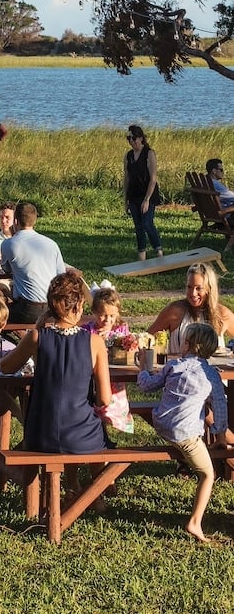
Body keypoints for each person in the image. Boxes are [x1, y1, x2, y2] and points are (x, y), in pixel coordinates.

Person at [0, 272, 112, 498]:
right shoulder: (95, 342)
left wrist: (37, 327)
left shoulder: (36, 338)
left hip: (41, 433)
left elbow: (5, 367)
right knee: (96, 428)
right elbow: (105, 400)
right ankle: (95, 494)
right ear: (79, 304)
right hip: (81, 434)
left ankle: (71, 488)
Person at [137, 322, 233, 543]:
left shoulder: (173, 366)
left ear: (187, 344)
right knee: (208, 474)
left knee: (198, 408)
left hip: (161, 423)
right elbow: (220, 406)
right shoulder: (212, 375)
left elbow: (147, 385)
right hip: (184, 434)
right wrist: (219, 434)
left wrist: (143, 367)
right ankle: (195, 522)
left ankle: (214, 440)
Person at [0, 201, 67, 325]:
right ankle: (29, 341)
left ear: (15, 221)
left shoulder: (9, 244)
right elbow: (61, 275)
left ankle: (19, 343)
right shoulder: (51, 244)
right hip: (52, 307)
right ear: (34, 221)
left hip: (27, 309)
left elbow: (7, 269)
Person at [148, 262, 234, 354]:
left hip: (214, 368)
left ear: (209, 289)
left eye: (198, 288)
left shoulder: (222, 313)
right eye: (189, 287)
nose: (193, 293)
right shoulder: (174, 311)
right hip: (180, 367)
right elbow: (146, 338)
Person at [81, 286, 133, 434]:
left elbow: (128, 348)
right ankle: (98, 432)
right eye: (103, 315)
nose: (107, 320)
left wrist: (115, 338)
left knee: (111, 402)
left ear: (117, 313)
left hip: (115, 376)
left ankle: (108, 425)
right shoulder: (87, 331)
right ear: (94, 312)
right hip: (92, 378)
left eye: (112, 316)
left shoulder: (121, 330)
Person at [124, 124, 163, 261]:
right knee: (138, 226)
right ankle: (142, 255)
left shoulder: (149, 153)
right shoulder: (129, 156)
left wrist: (146, 199)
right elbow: (127, 178)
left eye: (133, 138)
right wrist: (125, 200)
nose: (131, 141)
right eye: (128, 138)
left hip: (148, 193)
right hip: (134, 195)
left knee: (147, 223)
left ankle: (158, 250)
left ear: (141, 138)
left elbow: (153, 178)